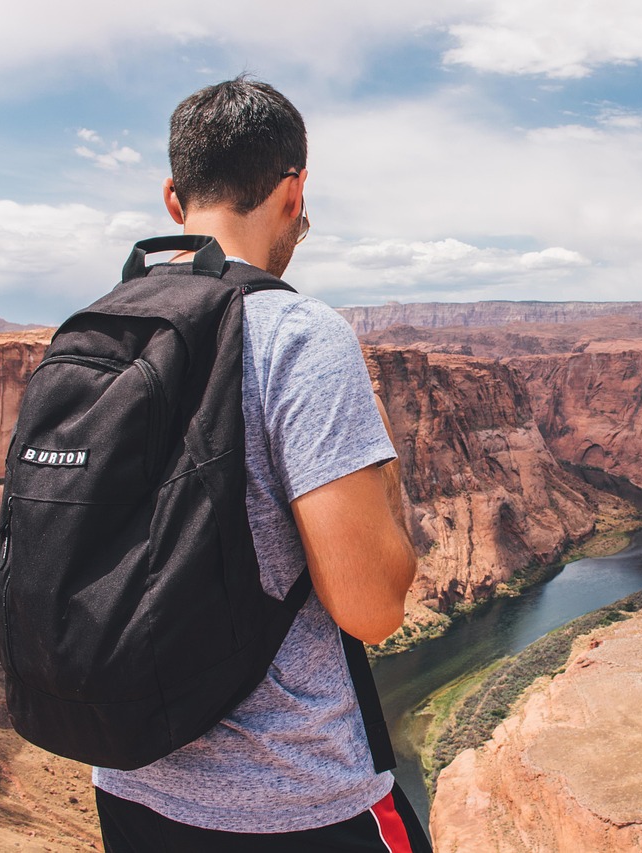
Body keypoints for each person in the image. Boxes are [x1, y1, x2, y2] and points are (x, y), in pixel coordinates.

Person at [90, 76, 431, 852]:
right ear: (295, 188)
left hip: (130, 786)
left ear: (174, 200)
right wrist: (384, 473)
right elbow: (372, 609)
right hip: (294, 805)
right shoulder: (300, 334)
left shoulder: (104, 335)